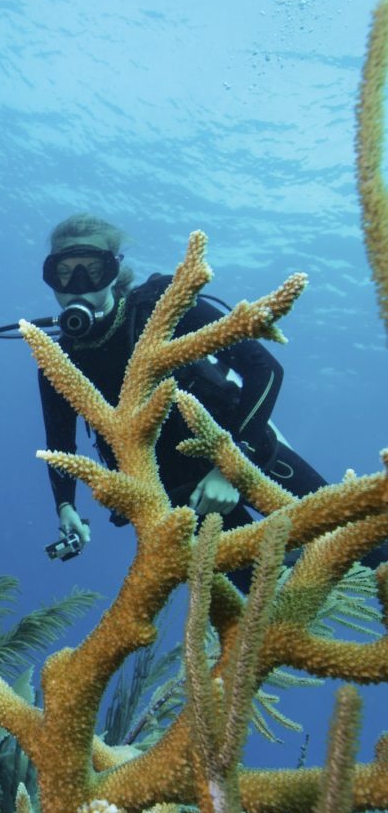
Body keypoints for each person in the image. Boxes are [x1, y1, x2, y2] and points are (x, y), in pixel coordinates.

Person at [38, 213, 386, 590]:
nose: (78, 286)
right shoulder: (57, 360)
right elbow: (60, 445)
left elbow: (265, 369)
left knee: (369, 546)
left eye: (93, 271)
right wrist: (66, 507)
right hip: (185, 501)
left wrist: (232, 466)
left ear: (114, 271)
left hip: (251, 456)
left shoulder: (162, 306)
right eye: (63, 273)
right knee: (269, 600)